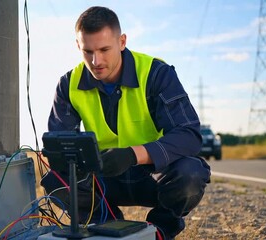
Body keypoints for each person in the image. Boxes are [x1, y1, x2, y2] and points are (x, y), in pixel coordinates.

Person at [41, 6, 211, 239]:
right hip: (104, 176)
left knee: (190, 173)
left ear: (122, 42)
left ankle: (159, 231)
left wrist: (133, 154)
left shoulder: (156, 73)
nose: (96, 60)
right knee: (57, 179)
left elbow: (189, 134)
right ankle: (107, 227)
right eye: (88, 51)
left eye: (104, 49)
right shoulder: (68, 84)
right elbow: (60, 148)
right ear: (78, 46)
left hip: (153, 174)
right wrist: (77, 160)